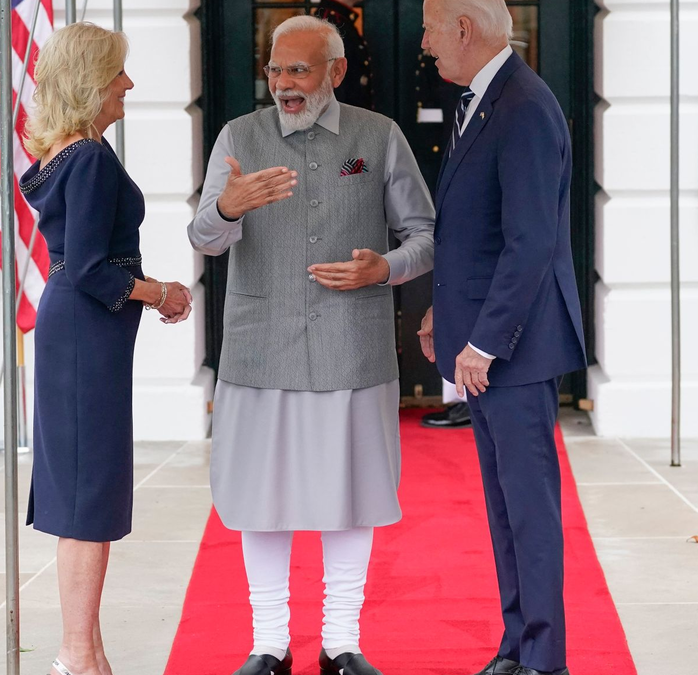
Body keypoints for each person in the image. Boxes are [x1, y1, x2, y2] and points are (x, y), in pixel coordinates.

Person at [188, 15, 435, 675]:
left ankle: (340, 642)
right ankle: (269, 643)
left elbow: (425, 234)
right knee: (259, 495)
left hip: (352, 348)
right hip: (259, 347)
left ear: (335, 71)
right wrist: (230, 207)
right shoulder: (239, 136)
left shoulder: (378, 137)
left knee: (348, 492)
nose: (284, 84)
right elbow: (203, 238)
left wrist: (384, 268)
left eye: (298, 70)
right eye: (275, 70)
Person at [416, 2, 586, 674]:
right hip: (489, 344)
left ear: (464, 28)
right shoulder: (486, 98)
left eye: (430, 27)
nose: (423, 42)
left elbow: (530, 242)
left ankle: (545, 659)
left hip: (515, 351)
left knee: (530, 515)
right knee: (506, 511)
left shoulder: (524, 105)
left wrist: (483, 342)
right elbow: (474, 233)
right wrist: (442, 314)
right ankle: (517, 647)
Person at [19, 22, 192, 675]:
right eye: (118, 72)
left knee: (82, 494)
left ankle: (86, 650)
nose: (129, 84)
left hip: (81, 333)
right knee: (86, 497)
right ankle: (75, 655)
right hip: (85, 335)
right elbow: (92, 267)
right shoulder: (88, 157)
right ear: (91, 82)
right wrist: (160, 291)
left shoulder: (67, 150)